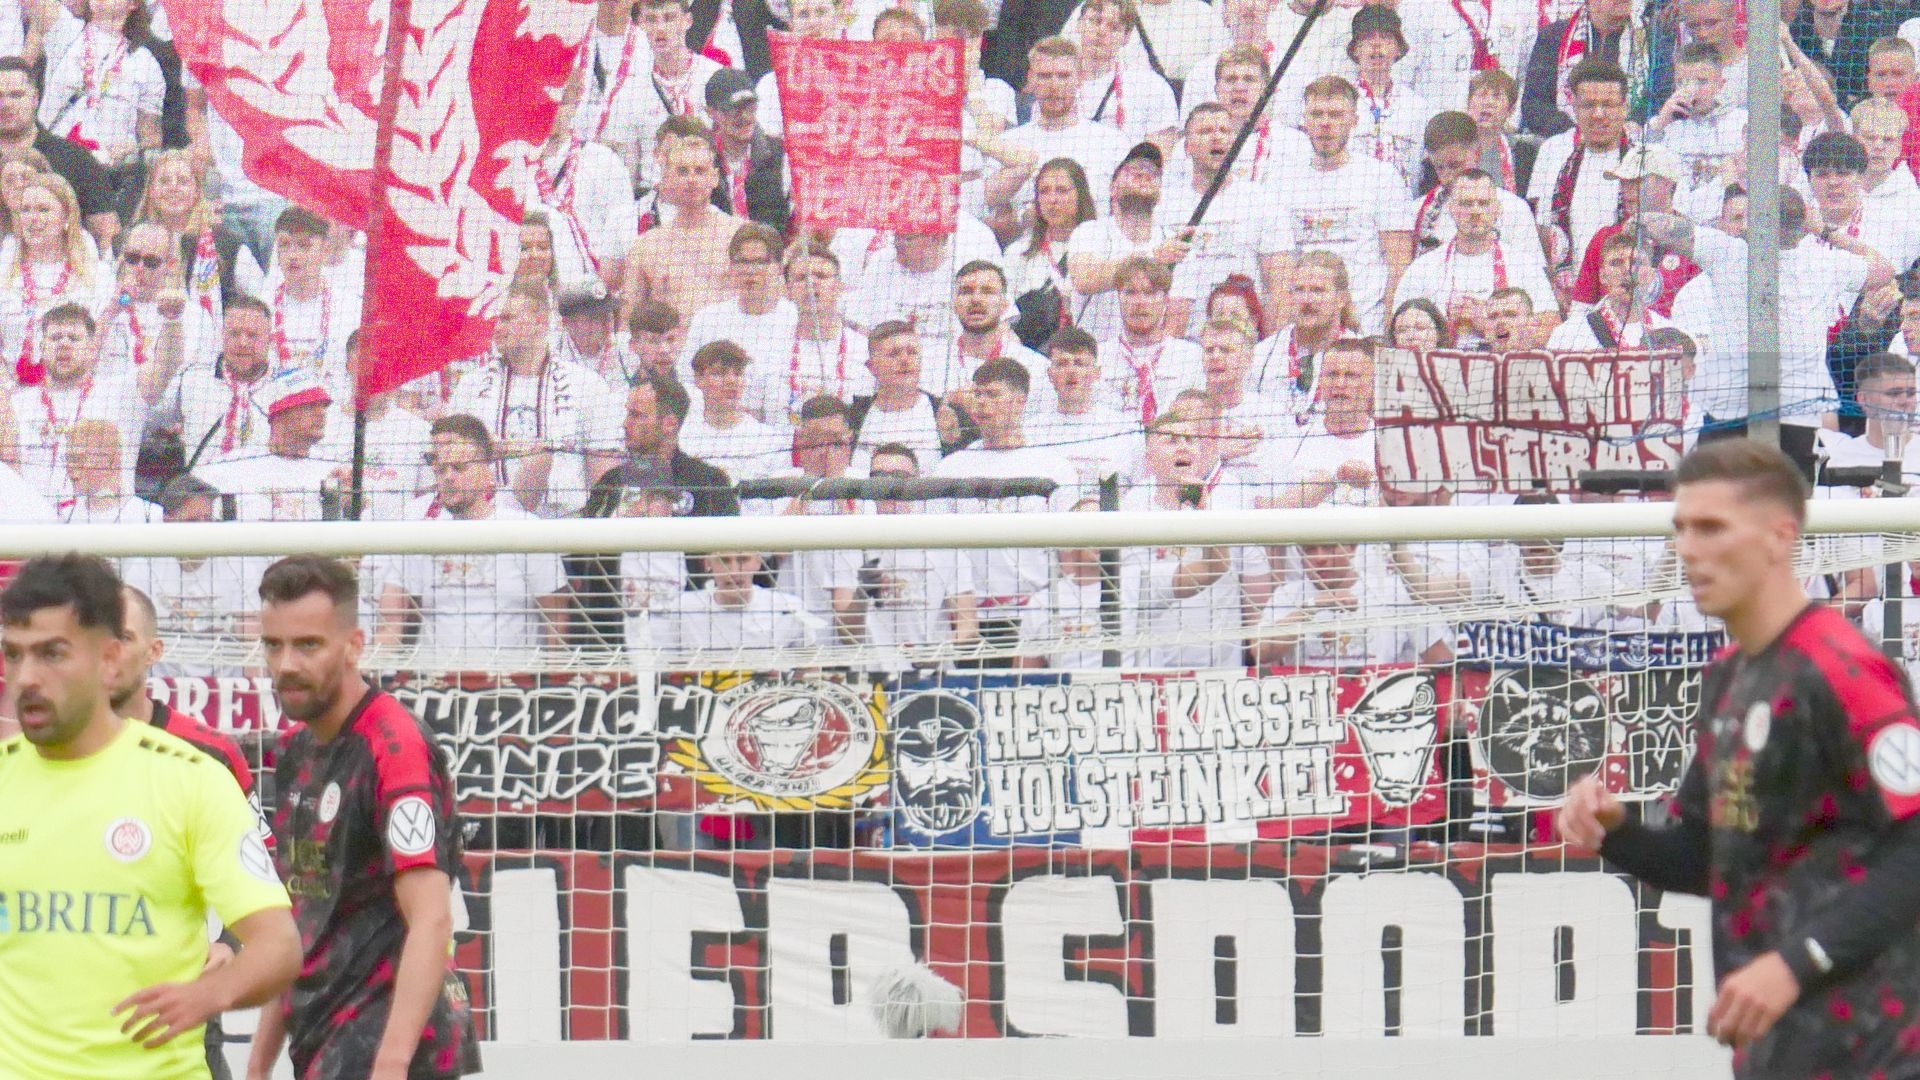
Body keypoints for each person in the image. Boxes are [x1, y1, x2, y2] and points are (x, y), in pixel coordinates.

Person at [1557, 439, 1920, 1075]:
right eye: (1681, 529)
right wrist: (1614, 831)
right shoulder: (1728, 676)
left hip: (1877, 1051)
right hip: (1781, 1053)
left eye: (1711, 528)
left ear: (1780, 536)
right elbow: (1706, 858)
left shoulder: (1840, 668)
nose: (1688, 549)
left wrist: (1795, 963)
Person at [0, 553, 299, 1078]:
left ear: (110, 658)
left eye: (52, 654)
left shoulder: (190, 778)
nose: (26, 677)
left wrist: (208, 995)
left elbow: (278, 944)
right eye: (13, 654)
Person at [246, 556, 481, 1080]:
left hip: (391, 1047)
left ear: (354, 645)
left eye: (308, 645)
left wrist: (391, 1065)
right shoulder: (295, 751)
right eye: (273, 645)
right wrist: (258, 1065)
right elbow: (301, 916)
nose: (286, 664)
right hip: (323, 1037)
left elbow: (431, 918)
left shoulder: (394, 748)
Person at [109, 582, 258, 1079]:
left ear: (154, 652)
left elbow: (262, 864)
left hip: (180, 1010)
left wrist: (229, 944)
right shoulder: (34, 758)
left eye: (123, 637)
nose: (107, 652)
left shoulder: (210, 754)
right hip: (63, 1016)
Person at [0, 56, 118, 246]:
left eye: (16, 95)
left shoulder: (76, 160)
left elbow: (105, 235)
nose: (5, 104)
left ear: (35, 98)